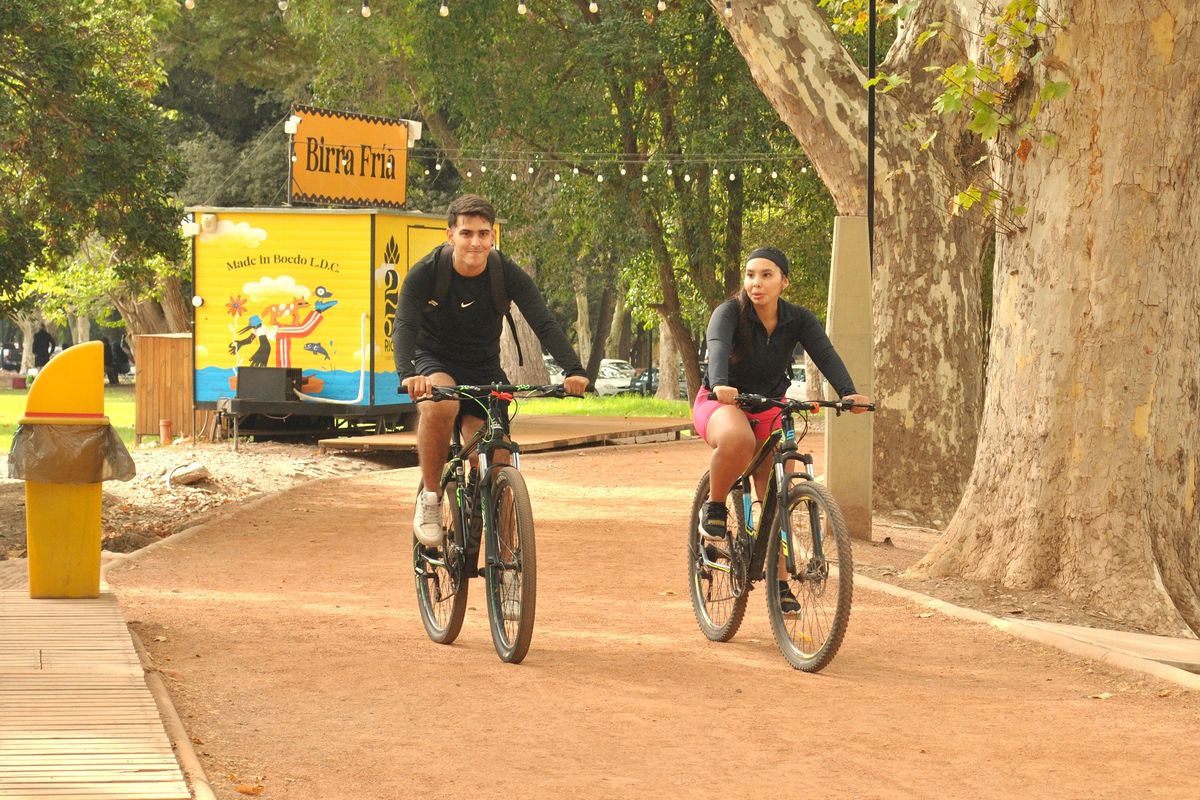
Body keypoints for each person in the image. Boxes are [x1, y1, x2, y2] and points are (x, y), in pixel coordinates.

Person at [394, 194, 590, 547]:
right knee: (441, 405)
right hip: (434, 360)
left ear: (493, 236)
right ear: (450, 235)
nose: (476, 242)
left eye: (483, 233)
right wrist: (408, 374)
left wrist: (573, 370)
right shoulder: (426, 273)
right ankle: (431, 498)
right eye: (466, 233)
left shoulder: (505, 273)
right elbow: (405, 325)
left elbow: (543, 322)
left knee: (497, 455)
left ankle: (507, 559)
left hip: (483, 366)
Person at [692, 246, 871, 612]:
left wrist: (848, 392)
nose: (756, 283)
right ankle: (715, 507)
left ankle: (780, 582)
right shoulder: (730, 312)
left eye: (766, 275)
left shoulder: (798, 319)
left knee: (777, 493)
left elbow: (825, 353)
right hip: (721, 403)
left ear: (783, 282)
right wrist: (722, 383)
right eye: (750, 275)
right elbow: (717, 345)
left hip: (769, 405)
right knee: (738, 439)